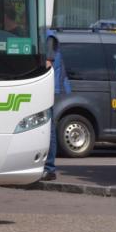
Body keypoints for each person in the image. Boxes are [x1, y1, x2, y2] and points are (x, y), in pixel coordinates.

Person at [42, 32, 72, 181]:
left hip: (47, 89)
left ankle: (49, 168)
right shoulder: (47, 36)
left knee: (49, 127)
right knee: (47, 126)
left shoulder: (48, 37)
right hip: (48, 88)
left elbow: (47, 64)